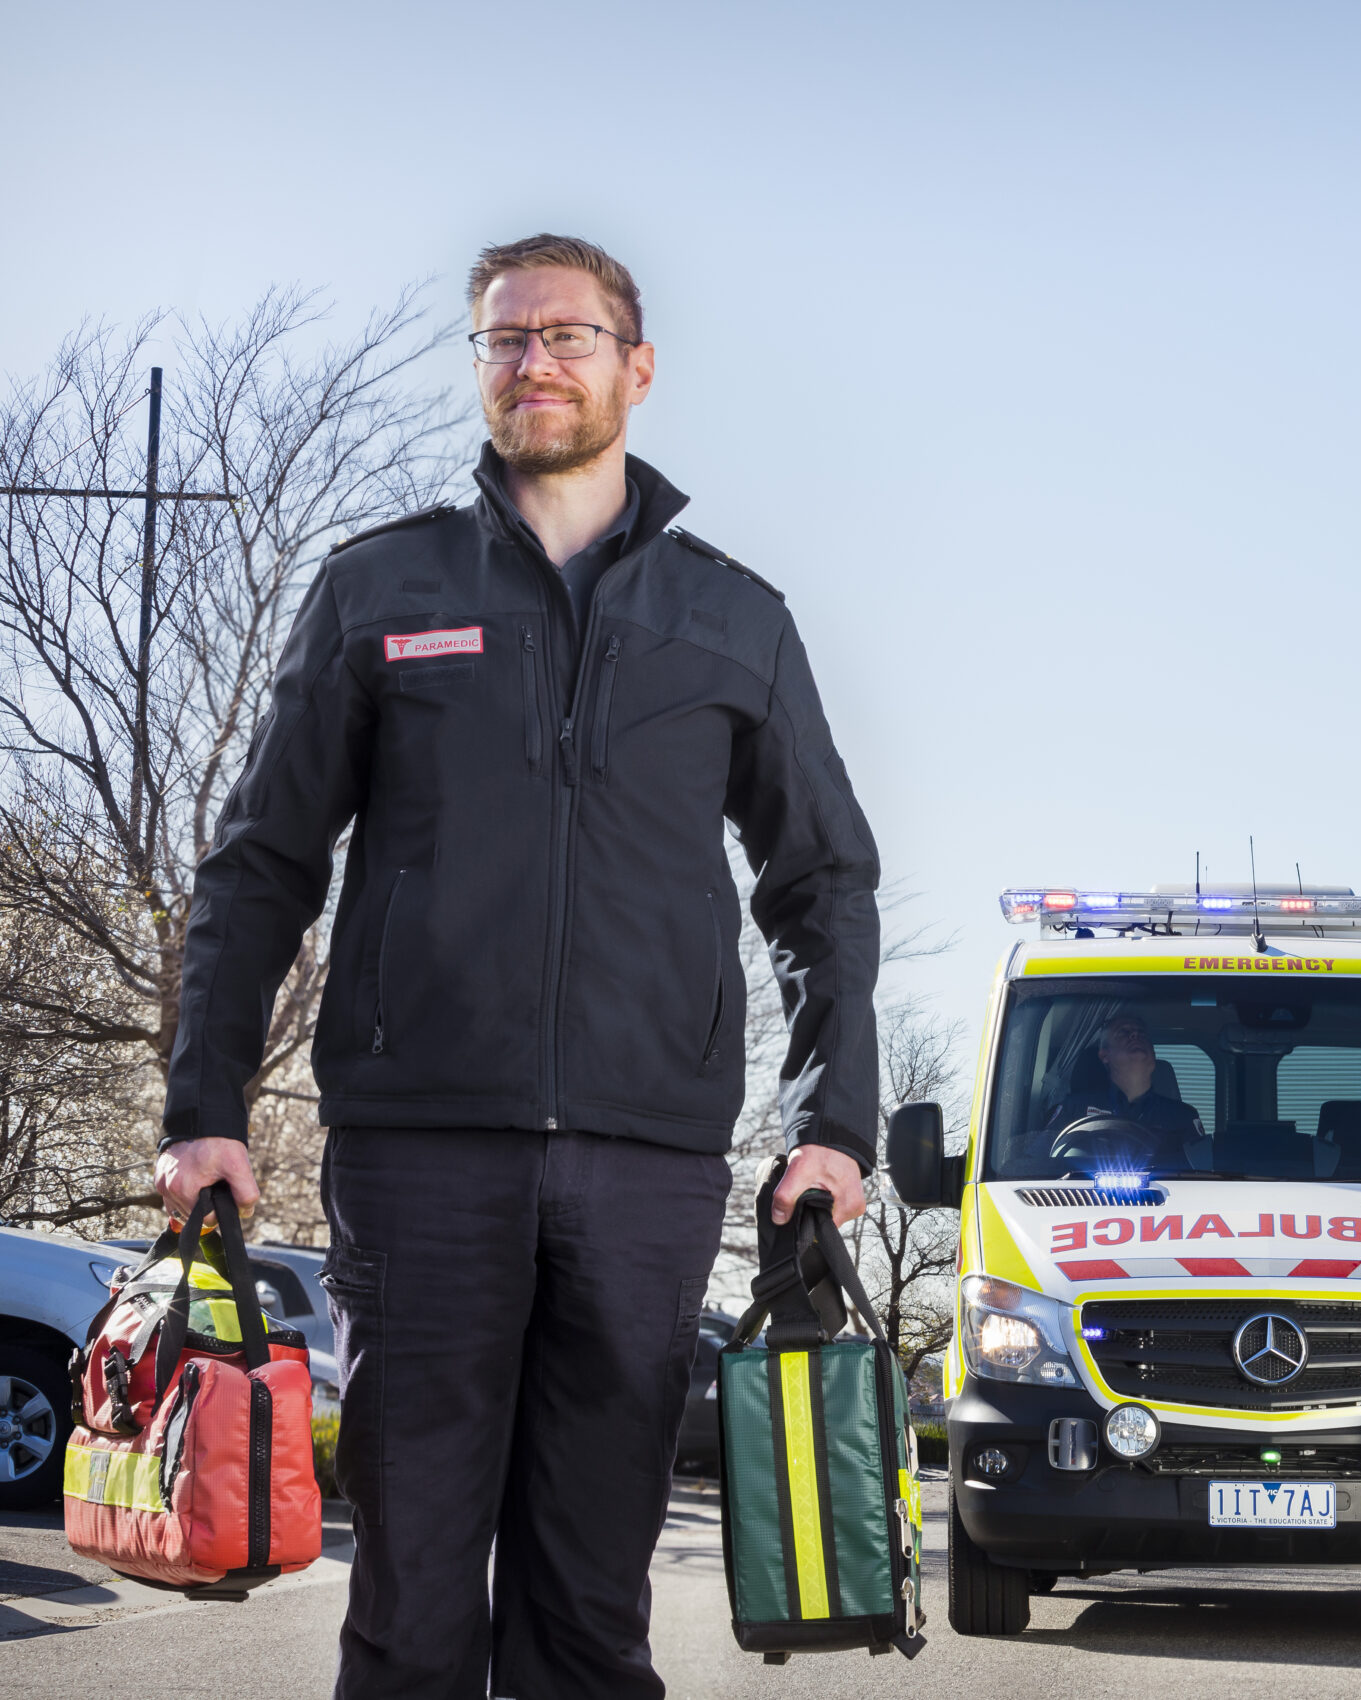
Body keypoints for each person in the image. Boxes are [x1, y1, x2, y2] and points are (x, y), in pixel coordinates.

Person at [153, 233, 882, 1700]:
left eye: (568, 335)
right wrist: (203, 1100)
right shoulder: (378, 588)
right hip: (423, 1151)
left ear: (637, 366)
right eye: (505, 339)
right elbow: (262, 861)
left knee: (591, 1607)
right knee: (414, 1594)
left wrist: (834, 1125)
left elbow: (824, 883)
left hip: (644, 1163)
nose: (534, 361)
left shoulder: (734, 619)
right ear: (479, 366)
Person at [1044, 1015, 1203, 1169]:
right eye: (1123, 1032)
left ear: (1153, 1054)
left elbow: (1200, 1177)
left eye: (1141, 1034)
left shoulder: (1183, 1116)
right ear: (1104, 1055)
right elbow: (1039, 1162)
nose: (1135, 1035)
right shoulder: (1074, 1108)